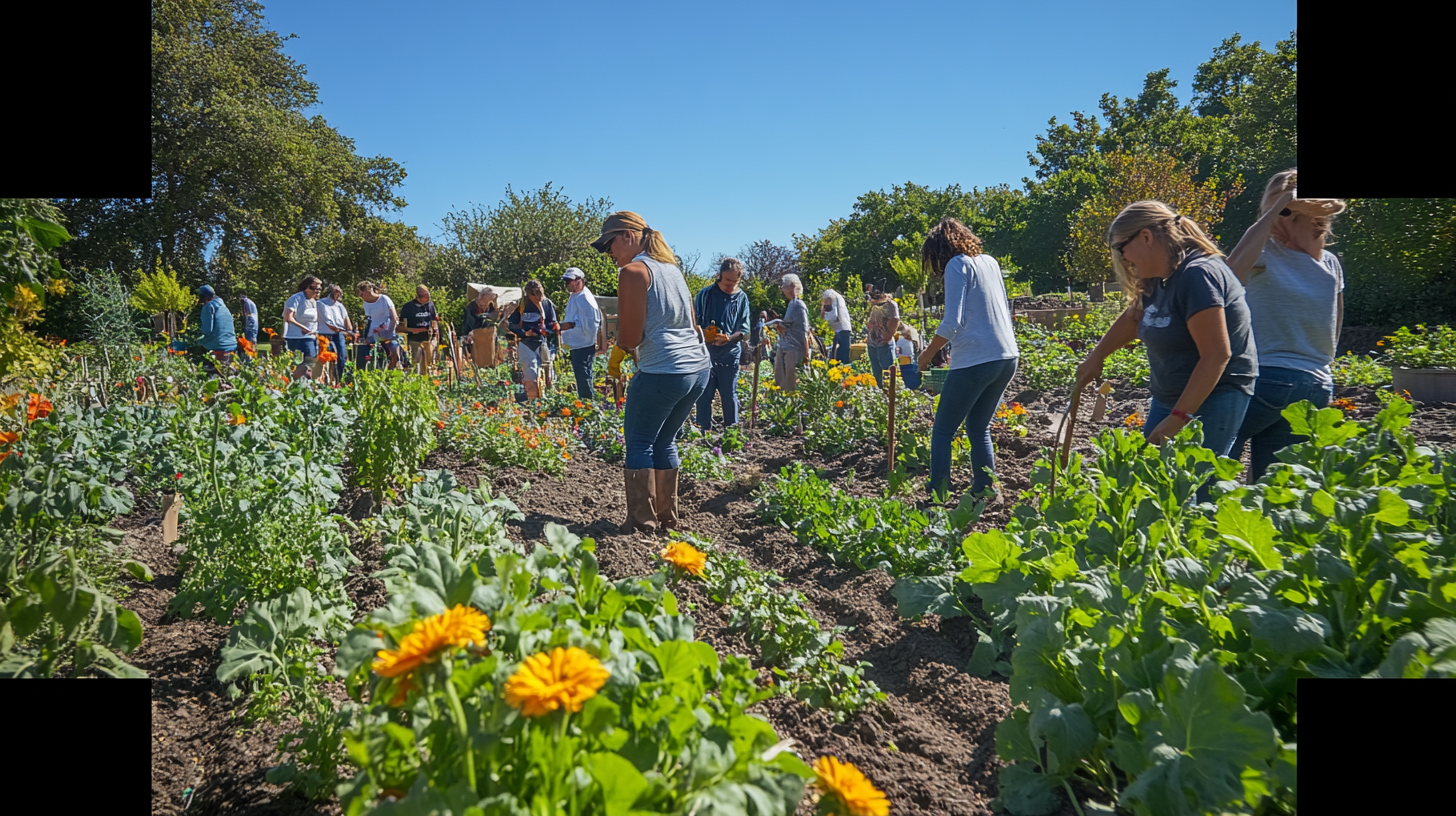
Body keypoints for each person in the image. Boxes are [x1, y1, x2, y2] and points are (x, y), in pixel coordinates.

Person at [1074, 201, 1257, 473]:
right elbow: (1134, 318)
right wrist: (1096, 357)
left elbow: (1217, 354)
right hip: (1169, 396)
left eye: (1122, 249)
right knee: (1153, 482)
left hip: (1215, 396)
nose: (1124, 259)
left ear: (1146, 237)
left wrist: (1179, 418)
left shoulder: (1198, 275)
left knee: (1195, 487)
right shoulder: (1158, 278)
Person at [593, 211, 710, 534]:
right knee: (665, 442)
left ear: (628, 236)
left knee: (640, 442)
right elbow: (691, 321)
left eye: (610, 245)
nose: (610, 254)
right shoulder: (672, 270)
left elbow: (629, 337)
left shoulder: (633, 272)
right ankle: (667, 519)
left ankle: (641, 523)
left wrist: (616, 357)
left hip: (662, 369)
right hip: (696, 369)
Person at [1225, 170, 1346, 482]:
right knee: (1277, 488)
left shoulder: (1263, 253)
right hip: (1316, 384)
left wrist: (1274, 210)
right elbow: (1334, 330)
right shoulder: (1330, 263)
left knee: (1209, 465)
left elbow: (1227, 275)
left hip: (1265, 377)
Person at [916, 218, 1019, 502]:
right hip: (1007, 356)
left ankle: (938, 493)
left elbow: (952, 323)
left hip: (976, 359)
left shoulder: (956, 265)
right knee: (977, 427)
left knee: (943, 429)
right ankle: (986, 490)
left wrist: (925, 356)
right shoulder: (990, 262)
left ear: (939, 252)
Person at [693, 258, 752, 429]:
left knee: (728, 393)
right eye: (727, 280)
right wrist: (704, 334)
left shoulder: (741, 298)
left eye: (734, 281)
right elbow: (693, 322)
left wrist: (730, 338)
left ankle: (731, 431)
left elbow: (745, 330)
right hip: (706, 351)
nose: (730, 285)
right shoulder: (705, 295)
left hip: (730, 353)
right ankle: (703, 430)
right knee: (704, 393)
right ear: (719, 275)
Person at [559, 268, 607, 401]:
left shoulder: (584, 298)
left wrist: (570, 327)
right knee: (582, 376)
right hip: (577, 344)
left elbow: (591, 325)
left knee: (583, 376)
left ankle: (587, 404)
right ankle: (586, 403)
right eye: (567, 281)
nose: (568, 284)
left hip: (583, 345)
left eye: (570, 280)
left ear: (579, 280)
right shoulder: (575, 296)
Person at [509, 280, 559, 401]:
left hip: (542, 342)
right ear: (529, 295)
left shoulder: (547, 304)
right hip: (526, 343)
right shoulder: (521, 305)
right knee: (530, 373)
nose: (539, 298)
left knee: (548, 373)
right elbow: (511, 324)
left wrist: (547, 330)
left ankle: (548, 400)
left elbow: (553, 323)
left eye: (540, 294)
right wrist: (523, 333)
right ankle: (533, 402)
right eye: (535, 295)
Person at [774, 274, 810, 392]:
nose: (782, 289)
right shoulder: (791, 304)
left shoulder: (798, 305)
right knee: (780, 384)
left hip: (794, 349)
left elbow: (804, 330)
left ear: (792, 286)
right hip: (784, 347)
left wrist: (806, 353)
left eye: (784, 286)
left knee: (791, 386)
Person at [282, 275, 323, 380]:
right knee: (301, 364)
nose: (318, 291)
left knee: (310, 364)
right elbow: (288, 317)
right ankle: (295, 383)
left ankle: (306, 385)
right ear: (308, 287)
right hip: (298, 337)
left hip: (312, 337)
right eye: (315, 288)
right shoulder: (296, 298)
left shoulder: (314, 301)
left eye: (320, 289)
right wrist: (303, 328)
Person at [356, 280, 402, 370]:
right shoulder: (366, 304)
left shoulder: (384, 299)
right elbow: (370, 320)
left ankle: (395, 366)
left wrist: (389, 332)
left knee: (394, 347)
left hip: (388, 332)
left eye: (362, 292)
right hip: (374, 334)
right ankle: (362, 372)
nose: (361, 295)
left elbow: (394, 317)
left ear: (369, 290)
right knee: (363, 351)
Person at [196, 285, 237, 377]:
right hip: (232, 342)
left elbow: (208, 330)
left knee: (194, 345)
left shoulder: (208, 307)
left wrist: (198, 339)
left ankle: (207, 370)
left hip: (218, 343)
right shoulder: (224, 306)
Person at [399, 285, 439, 376]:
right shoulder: (408, 307)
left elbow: (434, 321)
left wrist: (435, 335)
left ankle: (429, 383)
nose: (427, 298)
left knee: (429, 365)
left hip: (428, 339)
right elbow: (400, 327)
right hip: (414, 339)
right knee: (417, 364)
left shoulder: (430, 305)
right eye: (424, 296)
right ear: (417, 296)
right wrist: (414, 330)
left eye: (427, 295)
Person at [865, 287, 901, 388]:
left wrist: (888, 337)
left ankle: (890, 395)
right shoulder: (875, 306)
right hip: (872, 343)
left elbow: (895, 320)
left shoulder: (891, 305)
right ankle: (880, 394)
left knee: (888, 372)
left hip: (884, 344)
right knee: (876, 373)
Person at [318, 284, 353, 383]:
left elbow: (346, 320)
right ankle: (325, 381)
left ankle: (342, 381)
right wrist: (343, 331)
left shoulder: (340, 306)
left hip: (339, 335)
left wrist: (350, 332)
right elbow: (328, 322)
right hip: (325, 334)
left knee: (342, 357)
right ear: (331, 292)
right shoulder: (321, 303)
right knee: (325, 359)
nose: (338, 295)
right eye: (336, 292)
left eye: (340, 293)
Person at [462, 285, 501, 362]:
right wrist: (486, 317)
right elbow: (473, 325)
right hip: (472, 341)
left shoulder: (489, 305)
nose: (486, 306)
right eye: (485, 303)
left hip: (486, 342)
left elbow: (495, 318)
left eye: (488, 302)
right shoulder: (472, 307)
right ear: (481, 297)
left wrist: (495, 305)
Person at [821, 288, 853, 364]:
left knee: (839, 358)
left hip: (840, 330)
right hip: (844, 329)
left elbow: (833, 316)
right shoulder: (837, 296)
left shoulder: (831, 296)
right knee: (842, 354)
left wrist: (824, 318)